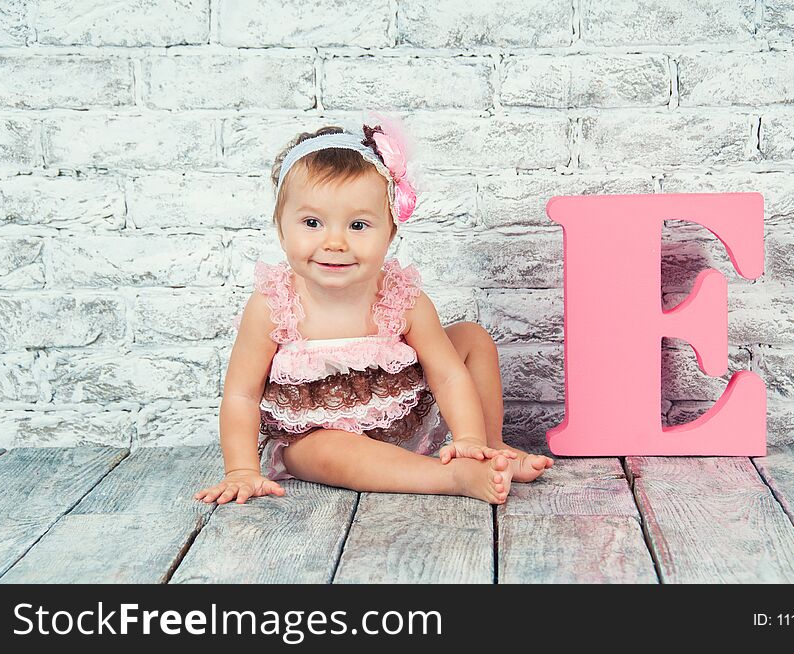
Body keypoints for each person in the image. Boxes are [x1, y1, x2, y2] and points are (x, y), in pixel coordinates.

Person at [194, 113, 553, 507]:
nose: (334, 242)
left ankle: (488, 450)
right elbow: (242, 395)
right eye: (312, 222)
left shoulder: (403, 297)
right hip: (315, 437)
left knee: (471, 338)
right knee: (328, 451)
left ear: (391, 231)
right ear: (281, 229)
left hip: (403, 420)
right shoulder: (273, 305)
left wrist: (467, 438)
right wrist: (242, 470)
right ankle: (450, 476)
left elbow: (448, 376)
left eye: (359, 225)